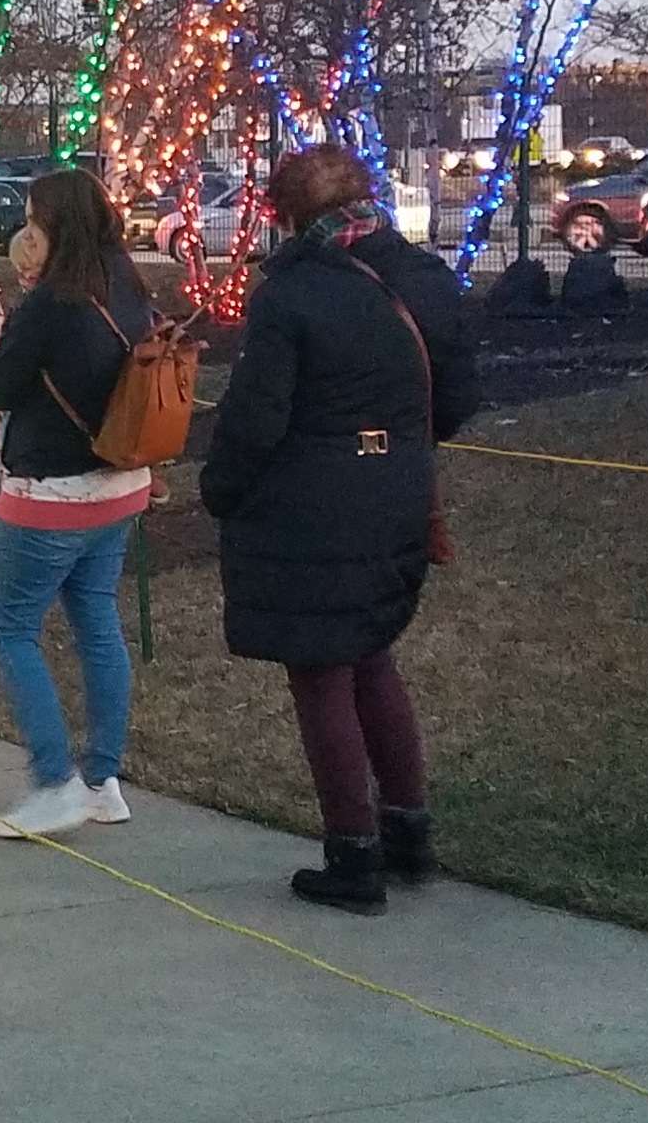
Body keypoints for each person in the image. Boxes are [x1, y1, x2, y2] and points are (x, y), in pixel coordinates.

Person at [201, 144, 478, 914]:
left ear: (286, 215)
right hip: (400, 490)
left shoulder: (291, 295)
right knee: (372, 657)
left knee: (321, 672)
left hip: (311, 501)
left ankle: (352, 855)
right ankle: (407, 835)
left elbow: (257, 418)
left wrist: (219, 490)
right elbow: (457, 393)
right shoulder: (424, 276)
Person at [0, 169, 157, 839]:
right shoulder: (128, 281)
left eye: (32, 217)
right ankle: (104, 779)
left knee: (10, 629)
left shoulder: (52, 303)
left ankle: (56, 783)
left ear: (51, 225)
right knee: (97, 620)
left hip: (50, 495)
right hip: (121, 485)